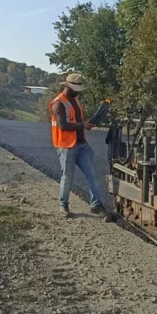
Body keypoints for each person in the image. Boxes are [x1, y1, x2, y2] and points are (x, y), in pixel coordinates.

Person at [49, 73, 106, 219]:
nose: (78, 91)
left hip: (81, 145)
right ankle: (64, 205)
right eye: (76, 88)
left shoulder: (75, 99)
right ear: (68, 87)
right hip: (66, 146)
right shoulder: (58, 103)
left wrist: (86, 124)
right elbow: (62, 126)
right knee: (67, 177)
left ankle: (96, 205)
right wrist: (82, 125)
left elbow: (76, 119)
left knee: (92, 174)